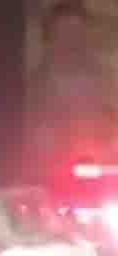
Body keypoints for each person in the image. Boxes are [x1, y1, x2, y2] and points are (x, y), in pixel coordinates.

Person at [27, 0, 118, 171]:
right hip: (49, 175)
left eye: (79, 35)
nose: (73, 43)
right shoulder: (32, 88)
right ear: (49, 40)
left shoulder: (108, 81)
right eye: (65, 35)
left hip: (102, 175)